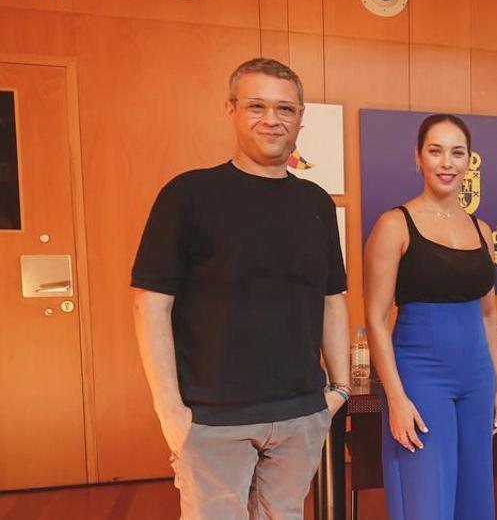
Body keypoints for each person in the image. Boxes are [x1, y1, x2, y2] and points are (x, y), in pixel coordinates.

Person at [131, 58, 350, 519]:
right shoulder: (189, 194)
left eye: (285, 109)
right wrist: (171, 412)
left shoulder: (315, 203)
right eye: (257, 105)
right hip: (212, 419)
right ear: (231, 109)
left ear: (301, 118)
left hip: (300, 416)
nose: (272, 120)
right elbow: (150, 305)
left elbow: (333, 300)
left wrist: (340, 389)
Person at [363, 114, 497, 520]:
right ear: (418, 158)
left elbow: (489, 313)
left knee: (475, 499)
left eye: (457, 152)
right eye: (436, 151)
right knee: (427, 501)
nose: (447, 162)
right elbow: (375, 318)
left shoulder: (481, 230)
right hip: (421, 378)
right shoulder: (395, 225)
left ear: (469, 161)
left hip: (477, 379)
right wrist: (394, 397)